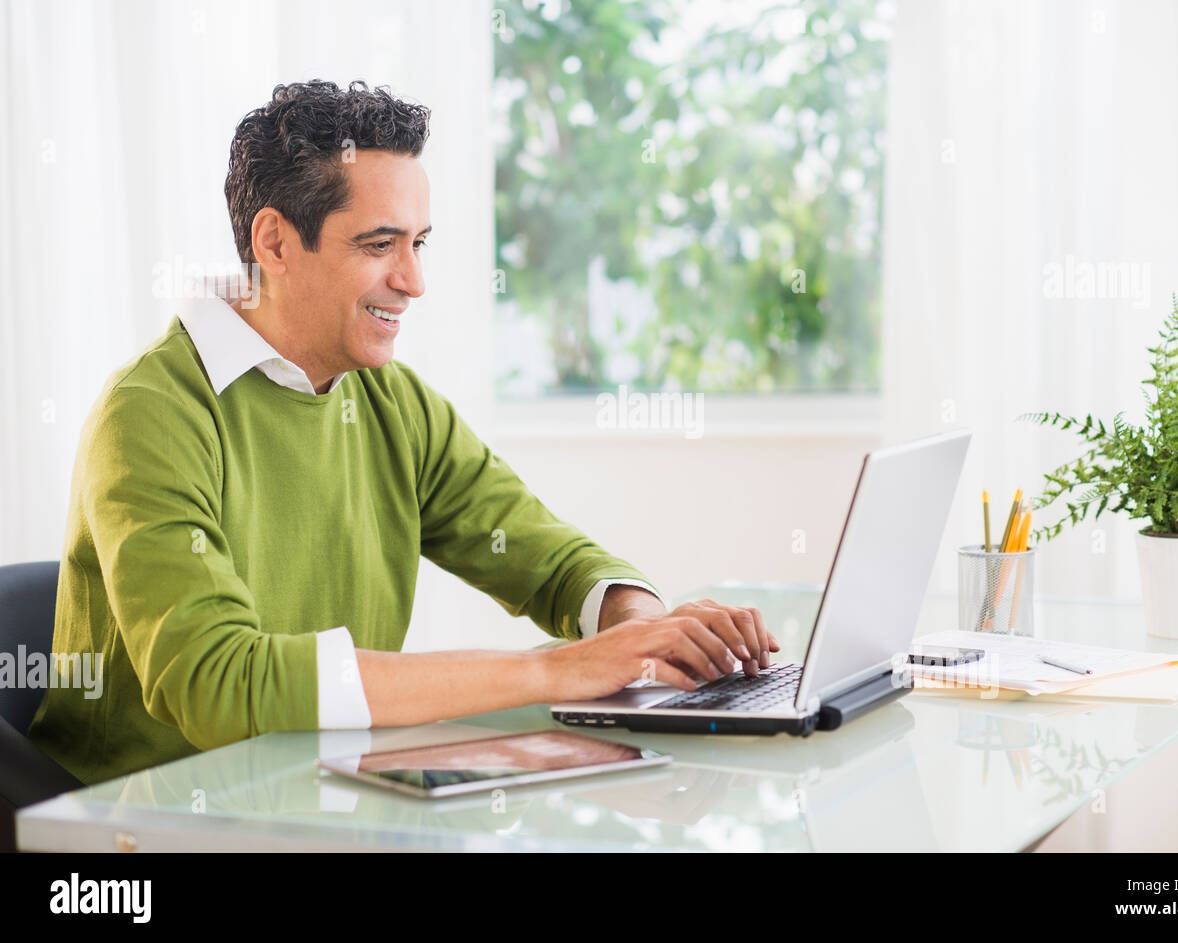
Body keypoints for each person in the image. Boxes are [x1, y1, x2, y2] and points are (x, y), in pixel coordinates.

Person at [27, 79, 778, 786]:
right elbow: (217, 682)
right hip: (143, 830)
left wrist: (643, 634)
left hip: (329, 803)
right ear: (276, 243)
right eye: (379, 244)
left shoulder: (391, 402)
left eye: (420, 243)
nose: (414, 280)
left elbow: (546, 556)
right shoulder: (153, 412)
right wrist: (558, 671)